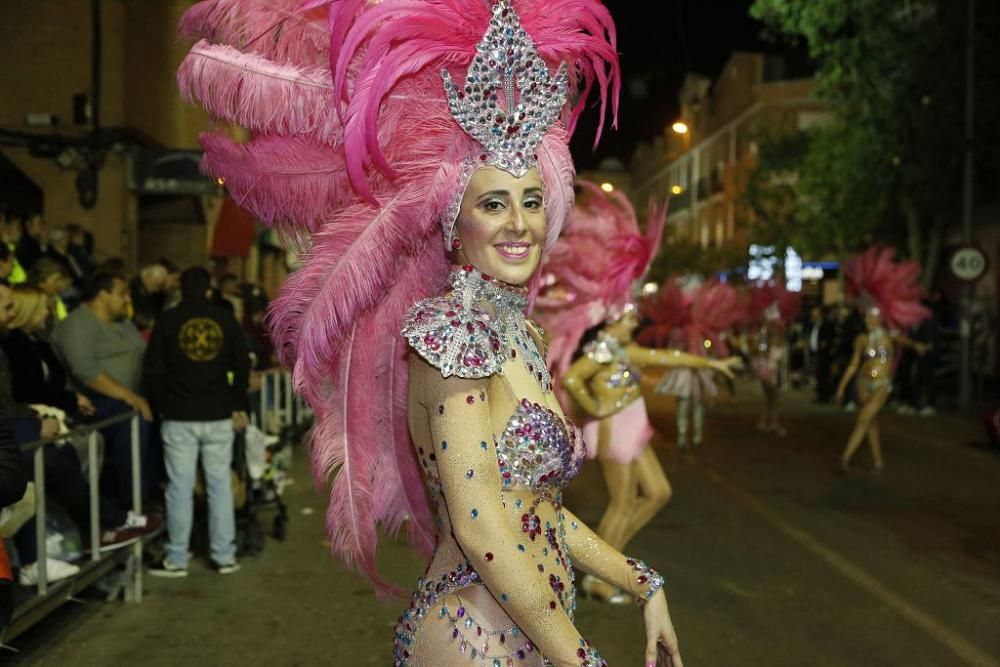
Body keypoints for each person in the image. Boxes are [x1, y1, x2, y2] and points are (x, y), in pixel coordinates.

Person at [179, 1, 683, 665]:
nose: (519, 224)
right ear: (456, 223)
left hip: (532, 634)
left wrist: (642, 582)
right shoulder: (452, 338)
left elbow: (536, 508)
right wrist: (582, 657)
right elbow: (482, 529)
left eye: (531, 201)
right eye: (493, 203)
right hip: (474, 641)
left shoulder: (521, 337)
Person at [3, 287, 155, 577]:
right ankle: (100, 524)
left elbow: (44, 386)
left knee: (103, 432)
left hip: (37, 417)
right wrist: (38, 420)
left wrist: (60, 407)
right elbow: (18, 394)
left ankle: (104, 518)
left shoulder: (36, 342)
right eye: (7, 308)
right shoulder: (13, 346)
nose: (50, 314)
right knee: (48, 462)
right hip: (25, 425)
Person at [144, 267, 250, 577]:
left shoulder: (167, 320)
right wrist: (235, 403)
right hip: (217, 413)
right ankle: (224, 555)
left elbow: (153, 369)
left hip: (179, 415)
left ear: (181, 290)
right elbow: (241, 365)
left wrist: (162, 405)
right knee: (219, 486)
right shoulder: (226, 320)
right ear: (208, 289)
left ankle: (177, 558)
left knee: (179, 488)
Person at [50, 273, 154, 510]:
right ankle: (134, 501)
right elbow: (86, 371)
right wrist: (131, 397)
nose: (128, 299)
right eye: (122, 294)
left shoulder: (123, 323)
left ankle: (152, 491)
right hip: (92, 403)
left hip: (130, 396)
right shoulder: (78, 325)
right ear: (102, 294)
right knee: (133, 419)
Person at [836, 247, 930, 474]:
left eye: (875, 317)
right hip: (863, 381)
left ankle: (845, 458)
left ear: (881, 318)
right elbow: (853, 365)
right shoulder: (861, 339)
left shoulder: (889, 336)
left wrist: (918, 346)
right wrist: (841, 387)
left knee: (863, 419)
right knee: (871, 423)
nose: (871, 320)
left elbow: (905, 341)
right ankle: (878, 462)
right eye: (868, 317)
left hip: (881, 383)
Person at [642, 278, 744, 450]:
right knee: (684, 403)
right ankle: (684, 436)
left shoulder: (700, 328)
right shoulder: (677, 330)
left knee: (697, 403)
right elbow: (672, 348)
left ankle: (696, 435)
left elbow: (710, 345)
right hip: (683, 370)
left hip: (698, 370)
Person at [748, 283, 801, 437]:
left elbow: (782, 360)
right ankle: (771, 423)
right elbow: (758, 353)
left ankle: (768, 422)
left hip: (773, 373)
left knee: (771, 399)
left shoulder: (776, 342)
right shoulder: (767, 340)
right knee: (772, 399)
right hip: (770, 373)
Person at [129, 263, 170, 333]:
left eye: (160, 286)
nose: (157, 290)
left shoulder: (158, 294)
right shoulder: (132, 287)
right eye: (157, 285)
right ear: (149, 277)